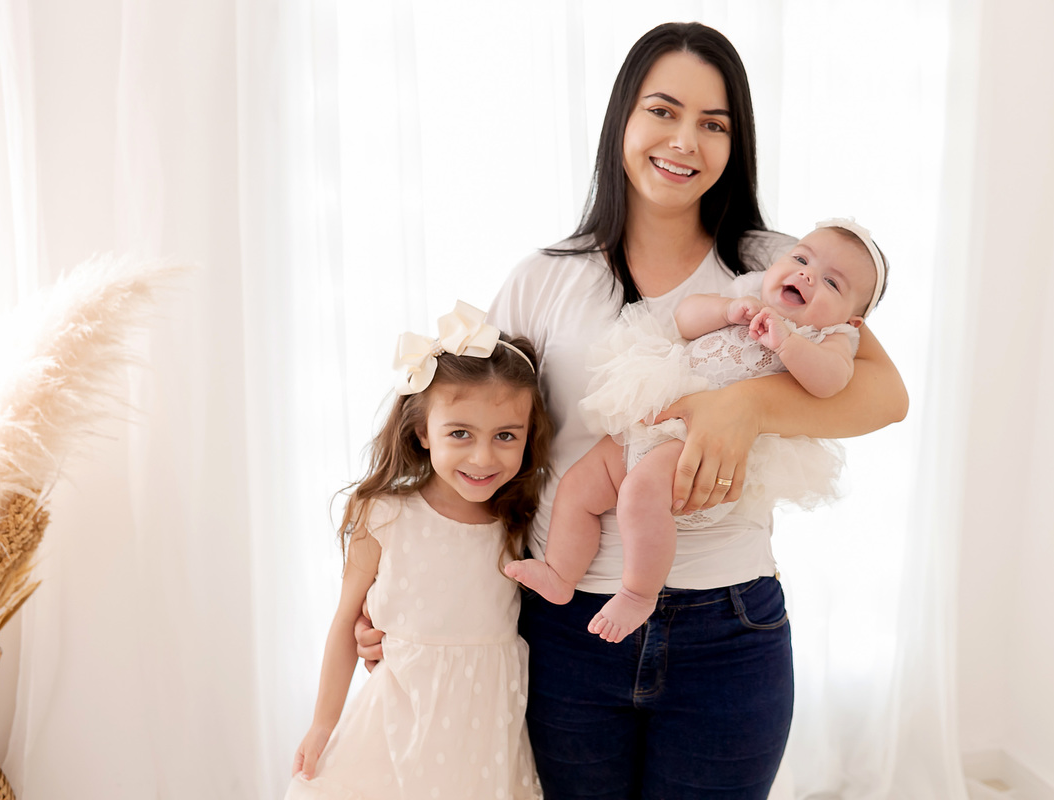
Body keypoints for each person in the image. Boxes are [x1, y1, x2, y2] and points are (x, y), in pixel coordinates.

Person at [357, 22, 907, 798]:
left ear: (736, 143)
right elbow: (475, 452)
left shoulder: (778, 267)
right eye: (663, 110)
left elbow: (885, 395)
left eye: (713, 124)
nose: (684, 141)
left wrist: (744, 406)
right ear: (623, 116)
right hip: (568, 632)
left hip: (729, 631)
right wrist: (403, 593)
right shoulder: (544, 279)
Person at [504, 218, 889, 644]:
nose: (807, 276)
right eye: (801, 259)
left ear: (854, 320)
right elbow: (685, 319)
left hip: (701, 444)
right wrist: (726, 310)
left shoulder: (831, 337)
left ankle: (637, 593)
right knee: (578, 486)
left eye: (832, 283)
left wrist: (788, 343)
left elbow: (830, 382)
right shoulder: (749, 291)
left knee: (639, 494)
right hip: (660, 414)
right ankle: (560, 573)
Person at [287, 301, 551, 799]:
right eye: (460, 433)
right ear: (422, 432)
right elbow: (345, 623)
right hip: (395, 730)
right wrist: (323, 724)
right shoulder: (385, 514)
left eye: (505, 436)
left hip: (485, 738)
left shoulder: (519, 520)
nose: (482, 457)